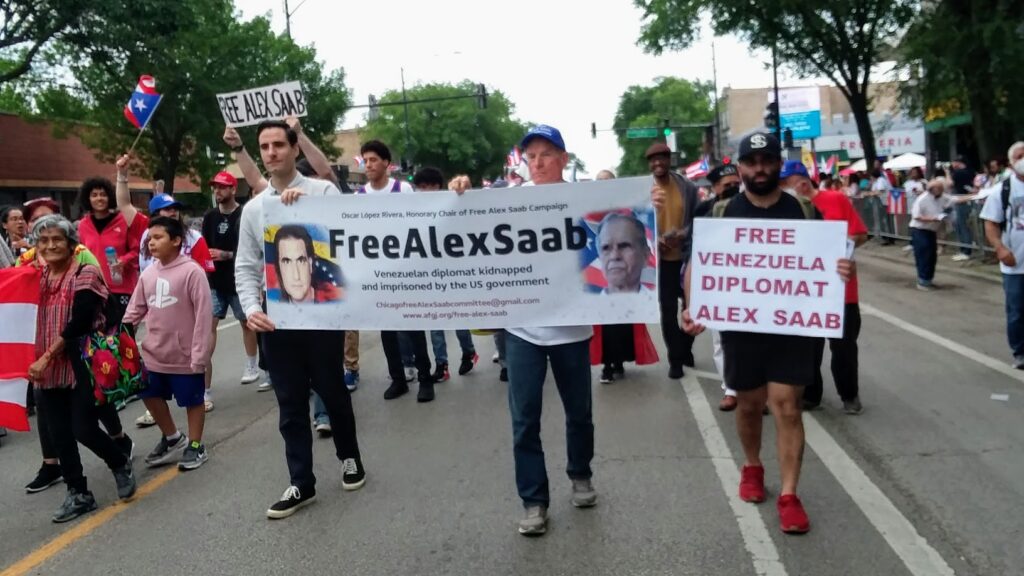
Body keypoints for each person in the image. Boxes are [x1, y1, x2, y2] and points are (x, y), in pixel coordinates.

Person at [679, 132, 855, 535]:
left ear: (779, 164)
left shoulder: (804, 212)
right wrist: (692, 307)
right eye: (752, 161)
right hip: (742, 326)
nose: (760, 168)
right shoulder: (721, 213)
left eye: (767, 160)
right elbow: (696, 268)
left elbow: (834, 261)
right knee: (748, 405)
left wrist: (843, 270)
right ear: (740, 167)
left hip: (793, 327)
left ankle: (790, 495)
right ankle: (753, 465)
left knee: (787, 406)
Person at [449, 124, 597, 536]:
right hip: (523, 331)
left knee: (579, 414)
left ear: (564, 160)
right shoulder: (509, 201)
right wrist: (460, 190)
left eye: (546, 154)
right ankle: (534, 500)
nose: (538, 162)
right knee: (524, 420)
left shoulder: (584, 199)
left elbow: (623, 222)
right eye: (531, 156)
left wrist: (649, 202)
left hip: (572, 330)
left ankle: (580, 473)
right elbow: (467, 221)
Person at [235, 119, 365, 519]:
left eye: (278, 144)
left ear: (294, 148)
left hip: (322, 318)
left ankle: (349, 457)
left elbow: (348, 235)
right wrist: (252, 309)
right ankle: (301, 482)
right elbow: (246, 265)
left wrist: (306, 209)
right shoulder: (255, 209)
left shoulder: (322, 192)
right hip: (279, 323)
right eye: (265, 146)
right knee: (289, 403)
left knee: (332, 391)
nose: (271, 152)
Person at [27, 215, 137, 523]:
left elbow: (80, 323)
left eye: (57, 240)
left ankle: (119, 462)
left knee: (84, 429)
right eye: (44, 240)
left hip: (81, 364)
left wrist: (46, 357)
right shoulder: (36, 277)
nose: (50, 246)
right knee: (60, 435)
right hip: (46, 370)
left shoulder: (85, 274)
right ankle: (78, 493)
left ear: (71, 244)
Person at [123, 217, 213, 470]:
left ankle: (196, 445)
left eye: (158, 237)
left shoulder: (192, 272)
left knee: (192, 401)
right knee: (147, 393)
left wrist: (199, 355)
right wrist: (121, 335)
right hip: (153, 353)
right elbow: (135, 310)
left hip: (184, 355)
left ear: (176, 241)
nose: (151, 243)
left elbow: (204, 317)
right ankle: (173, 437)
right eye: (149, 238)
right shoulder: (149, 273)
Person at [781, 160, 868, 414]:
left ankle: (849, 395)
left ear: (803, 181)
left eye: (787, 183)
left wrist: (838, 246)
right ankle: (810, 394)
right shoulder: (787, 207)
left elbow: (861, 234)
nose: (785, 189)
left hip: (842, 290)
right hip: (806, 293)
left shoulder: (836, 200)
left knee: (844, 348)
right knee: (808, 347)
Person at [357, 140, 435, 401]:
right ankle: (398, 379)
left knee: (414, 327)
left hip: (405, 270)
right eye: (365, 160)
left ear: (386, 164)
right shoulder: (360, 196)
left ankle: (425, 379)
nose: (368, 165)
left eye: (373, 160)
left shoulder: (403, 189)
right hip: (379, 273)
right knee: (387, 329)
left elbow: (421, 222)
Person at [588, 170, 659, 383]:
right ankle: (607, 366)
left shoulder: (628, 212)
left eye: (608, 182)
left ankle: (618, 361)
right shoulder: (588, 212)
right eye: (600, 183)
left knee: (623, 324)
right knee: (604, 326)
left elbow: (643, 235)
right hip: (602, 281)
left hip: (625, 281)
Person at [412, 166, 479, 381]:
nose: (425, 191)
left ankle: (468, 351)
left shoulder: (452, 204)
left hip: (453, 274)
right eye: (421, 187)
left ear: (438, 186)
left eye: (429, 186)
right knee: (435, 323)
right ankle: (441, 364)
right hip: (428, 275)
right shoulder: (413, 211)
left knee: (458, 319)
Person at [201, 171, 261, 388]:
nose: (218, 191)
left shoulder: (243, 214)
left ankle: (252, 363)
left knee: (246, 322)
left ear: (233, 189)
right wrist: (206, 262)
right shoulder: (209, 216)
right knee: (210, 324)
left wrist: (226, 255)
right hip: (215, 281)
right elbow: (204, 245)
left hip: (238, 279)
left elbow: (251, 249)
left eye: (222, 187)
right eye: (215, 187)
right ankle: (203, 366)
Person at [647, 142, 699, 378]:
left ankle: (685, 347)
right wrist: (653, 240)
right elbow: (637, 222)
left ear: (669, 160)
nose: (658, 163)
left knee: (692, 309)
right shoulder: (645, 190)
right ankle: (675, 360)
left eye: (662, 158)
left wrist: (681, 234)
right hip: (661, 261)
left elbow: (699, 219)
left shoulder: (687, 187)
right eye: (653, 160)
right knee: (667, 311)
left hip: (686, 257)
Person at [693, 164, 742, 410]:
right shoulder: (704, 211)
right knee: (721, 340)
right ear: (715, 188)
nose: (733, 188)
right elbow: (694, 251)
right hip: (719, 285)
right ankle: (731, 389)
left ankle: (758, 391)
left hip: (754, 287)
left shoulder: (753, 205)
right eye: (727, 185)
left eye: (736, 183)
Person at [76, 176, 148, 326]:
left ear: (110, 197)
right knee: (98, 338)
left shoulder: (123, 220)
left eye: (103, 194)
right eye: (94, 195)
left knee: (123, 335)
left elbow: (137, 250)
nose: (99, 199)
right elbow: (80, 254)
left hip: (121, 287)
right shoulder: (83, 225)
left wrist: (124, 260)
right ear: (87, 199)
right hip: (94, 288)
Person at [980, 141, 1024, 368]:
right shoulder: (1002, 190)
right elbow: (990, 223)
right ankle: (1020, 351)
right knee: (1017, 311)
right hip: (1015, 264)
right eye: (1020, 156)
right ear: (1011, 162)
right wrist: (999, 248)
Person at [910, 178, 972, 290]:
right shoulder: (922, 199)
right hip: (920, 229)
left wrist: (974, 196)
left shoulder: (942, 197)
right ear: (933, 189)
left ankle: (927, 279)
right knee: (924, 255)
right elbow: (916, 216)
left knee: (931, 256)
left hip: (931, 230)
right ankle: (922, 280)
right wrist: (933, 218)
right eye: (939, 188)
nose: (942, 190)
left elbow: (955, 199)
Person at [949, 157, 977, 260]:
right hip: (966, 199)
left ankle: (966, 250)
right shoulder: (971, 172)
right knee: (962, 225)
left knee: (962, 226)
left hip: (961, 200)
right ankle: (965, 249)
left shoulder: (958, 173)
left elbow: (950, 183)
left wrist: (948, 172)